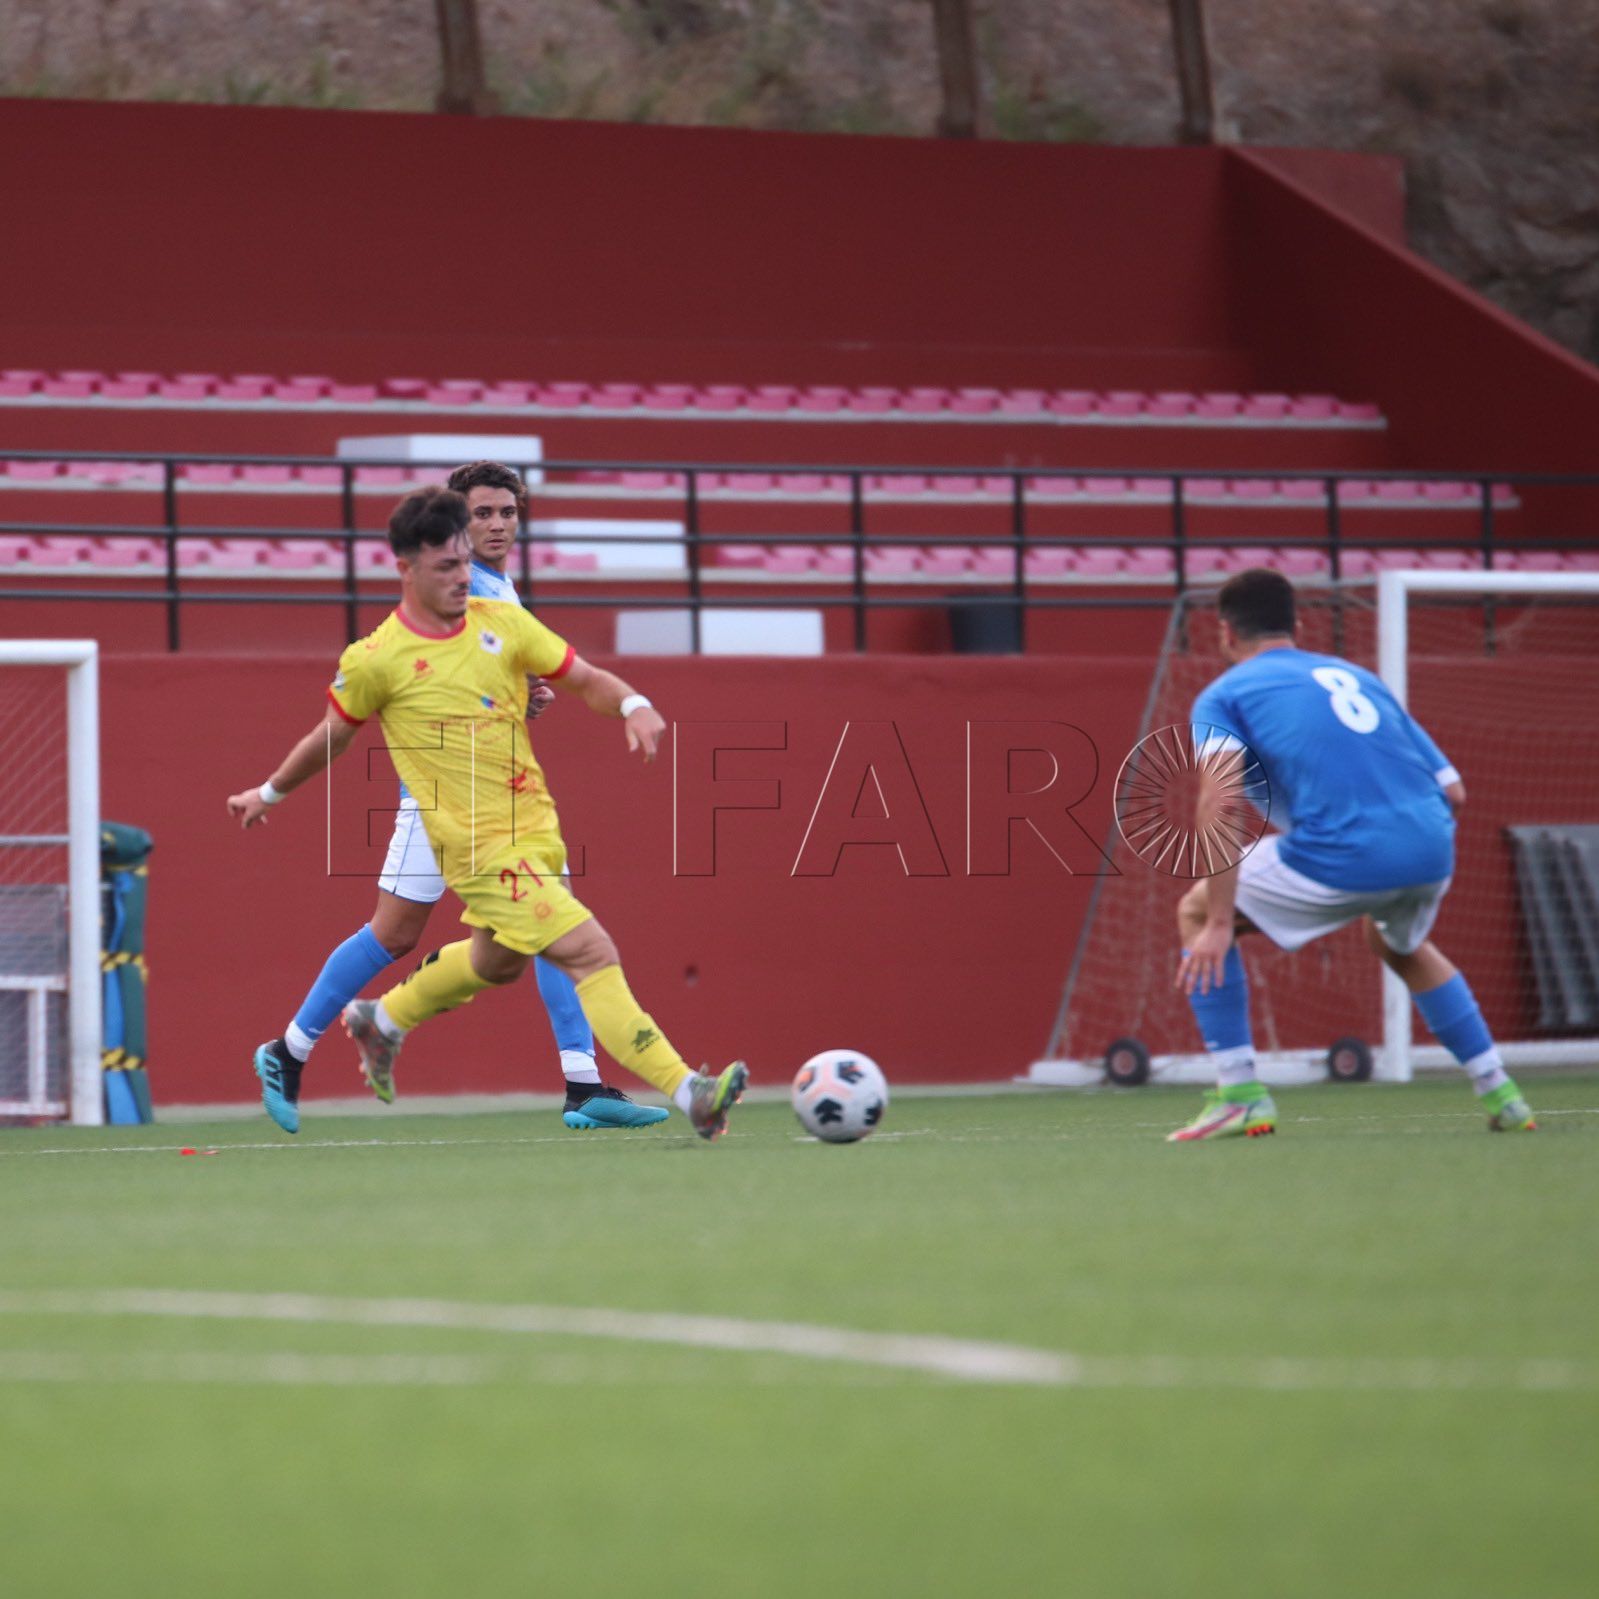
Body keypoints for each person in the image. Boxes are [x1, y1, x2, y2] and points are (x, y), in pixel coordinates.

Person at [227, 484, 747, 1140]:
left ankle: (381, 1021)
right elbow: (330, 736)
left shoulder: (501, 621)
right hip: (475, 847)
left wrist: (632, 703)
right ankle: (689, 1090)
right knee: (586, 949)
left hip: (536, 825)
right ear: (405, 568)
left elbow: (582, 676)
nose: (460, 577)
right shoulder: (375, 659)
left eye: (464, 562)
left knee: (496, 961)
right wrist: (268, 792)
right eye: (444, 566)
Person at [1169, 567, 1536, 1142]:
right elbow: (1454, 792)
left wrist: (1219, 922)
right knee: (1396, 941)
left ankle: (1240, 1093)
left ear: (1223, 632)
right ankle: (1500, 1090)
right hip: (1430, 847)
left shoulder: (1225, 694)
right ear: (1296, 624)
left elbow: (1220, 802)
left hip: (1342, 852)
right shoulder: (1356, 675)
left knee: (1194, 913)